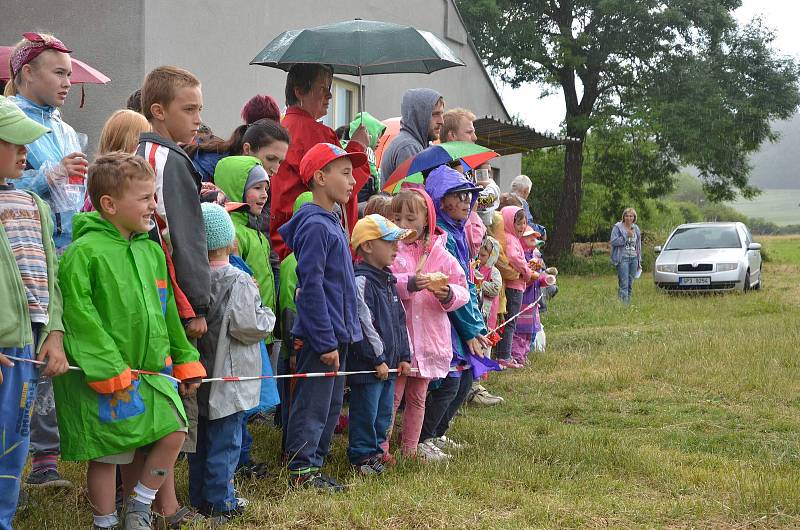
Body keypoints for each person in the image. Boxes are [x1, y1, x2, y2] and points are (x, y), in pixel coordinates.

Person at [53, 152, 206, 530]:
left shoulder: (152, 250)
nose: (153, 205)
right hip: (107, 375)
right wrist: (107, 365)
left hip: (152, 371)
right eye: (145, 198)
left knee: (174, 428)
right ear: (109, 204)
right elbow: (78, 316)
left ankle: (140, 503)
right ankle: (104, 522)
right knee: (109, 452)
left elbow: (167, 309)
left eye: (154, 197)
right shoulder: (82, 254)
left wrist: (184, 357)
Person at [5, 31, 85, 490]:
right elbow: (11, 188)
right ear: (26, 72)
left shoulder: (64, 127)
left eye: (70, 75)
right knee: (29, 351)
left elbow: (71, 193)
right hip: (22, 254)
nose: (66, 83)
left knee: (54, 352)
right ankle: (31, 456)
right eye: (58, 72)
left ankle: (46, 456)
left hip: (63, 250)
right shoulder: (9, 117)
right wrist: (47, 175)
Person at [135, 65, 209, 528]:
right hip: (171, 301)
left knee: (160, 404)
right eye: (190, 109)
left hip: (153, 296)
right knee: (174, 406)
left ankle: (156, 501)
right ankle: (163, 505)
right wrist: (197, 305)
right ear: (158, 112)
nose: (199, 118)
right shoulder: (169, 159)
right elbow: (185, 239)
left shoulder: (145, 152)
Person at [278, 142, 367, 492]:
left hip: (338, 333)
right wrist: (326, 340)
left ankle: (314, 462)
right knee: (313, 403)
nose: (352, 182)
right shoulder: (315, 225)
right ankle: (301, 469)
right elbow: (311, 288)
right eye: (344, 173)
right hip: (321, 336)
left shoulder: (331, 221)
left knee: (330, 404)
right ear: (319, 177)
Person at [0, 95, 69, 530]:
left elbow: (52, 276)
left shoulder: (34, 205)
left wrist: (55, 333)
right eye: (16, 143)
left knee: (15, 439)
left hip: (26, 344)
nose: (26, 152)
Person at [189, 203, 275, 523]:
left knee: (200, 443)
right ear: (229, 241)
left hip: (202, 374)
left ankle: (199, 495)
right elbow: (247, 325)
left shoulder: (192, 278)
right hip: (230, 377)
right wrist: (267, 314)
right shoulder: (237, 279)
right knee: (226, 444)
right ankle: (220, 501)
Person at [214, 153, 287, 476]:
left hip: (259, 325)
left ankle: (242, 455)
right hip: (241, 327)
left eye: (266, 188)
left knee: (249, 398)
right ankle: (238, 460)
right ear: (235, 187)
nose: (264, 194)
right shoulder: (232, 233)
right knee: (238, 401)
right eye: (256, 187)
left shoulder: (256, 229)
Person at [388, 188, 470, 460]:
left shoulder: (441, 255)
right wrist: (408, 283)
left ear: (426, 220)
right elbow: (386, 283)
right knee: (393, 398)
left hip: (429, 337)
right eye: (397, 218)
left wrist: (447, 294)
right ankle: (381, 449)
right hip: (402, 339)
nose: (402, 225)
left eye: (410, 219)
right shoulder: (391, 251)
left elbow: (462, 290)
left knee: (418, 397)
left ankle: (410, 448)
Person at [419, 166, 495, 455]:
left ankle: (438, 432)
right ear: (440, 200)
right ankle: (423, 438)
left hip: (462, 319)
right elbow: (451, 289)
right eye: (459, 195)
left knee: (464, 380)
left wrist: (478, 325)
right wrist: (471, 329)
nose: (466, 201)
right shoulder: (444, 237)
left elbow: (466, 284)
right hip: (447, 322)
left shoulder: (459, 233)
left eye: (469, 196)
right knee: (450, 382)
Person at [270, 63, 370, 260]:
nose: (330, 96)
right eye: (323, 88)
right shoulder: (315, 133)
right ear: (299, 91)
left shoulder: (281, 128)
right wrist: (357, 146)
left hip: (286, 236)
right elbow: (343, 187)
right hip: (317, 241)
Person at [347, 214, 414, 473]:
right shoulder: (361, 281)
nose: (397, 248)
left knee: (384, 412)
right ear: (367, 246)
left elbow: (400, 323)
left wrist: (404, 356)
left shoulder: (388, 281)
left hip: (389, 366)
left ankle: (376, 450)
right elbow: (365, 323)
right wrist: (378, 358)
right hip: (370, 365)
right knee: (366, 412)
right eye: (390, 242)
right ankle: (362, 456)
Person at [276, 191, 313, 456]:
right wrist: (293, 348)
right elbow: (289, 308)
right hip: (296, 346)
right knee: (295, 400)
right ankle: (291, 449)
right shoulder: (293, 262)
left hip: (306, 343)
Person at [493, 205, 534, 369]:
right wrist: (527, 271)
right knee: (511, 321)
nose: (522, 227)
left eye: (524, 223)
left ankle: (503, 353)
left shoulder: (513, 239)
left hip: (515, 285)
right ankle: (505, 356)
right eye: (519, 223)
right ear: (510, 223)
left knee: (508, 321)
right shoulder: (510, 239)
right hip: (514, 286)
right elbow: (513, 258)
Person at [379, 88, 444, 187]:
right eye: (435, 114)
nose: (441, 121)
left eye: (441, 114)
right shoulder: (408, 147)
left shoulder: (419, 144)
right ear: (419, 116)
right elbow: (413, 198)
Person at [346, 112, 386, 204]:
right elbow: (374, 175)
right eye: (377, 136)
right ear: (368, 133)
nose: (379, 141)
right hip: (363, 197)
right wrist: (378, 192)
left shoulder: (344, 145)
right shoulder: (367, 151)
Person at [610, 207, 641, 304]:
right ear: (623, 217)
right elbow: (613, 241)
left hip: (634, 258)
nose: (629, 218)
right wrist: (626, 236)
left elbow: (638, 245)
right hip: (622, 258)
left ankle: (627, 302)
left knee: (630, 283)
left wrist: (639, 258)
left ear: (634, 217)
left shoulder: (636, 228)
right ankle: (623, 305)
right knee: (624, 283)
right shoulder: (618, 227)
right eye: (626, 216)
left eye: (631, 216)